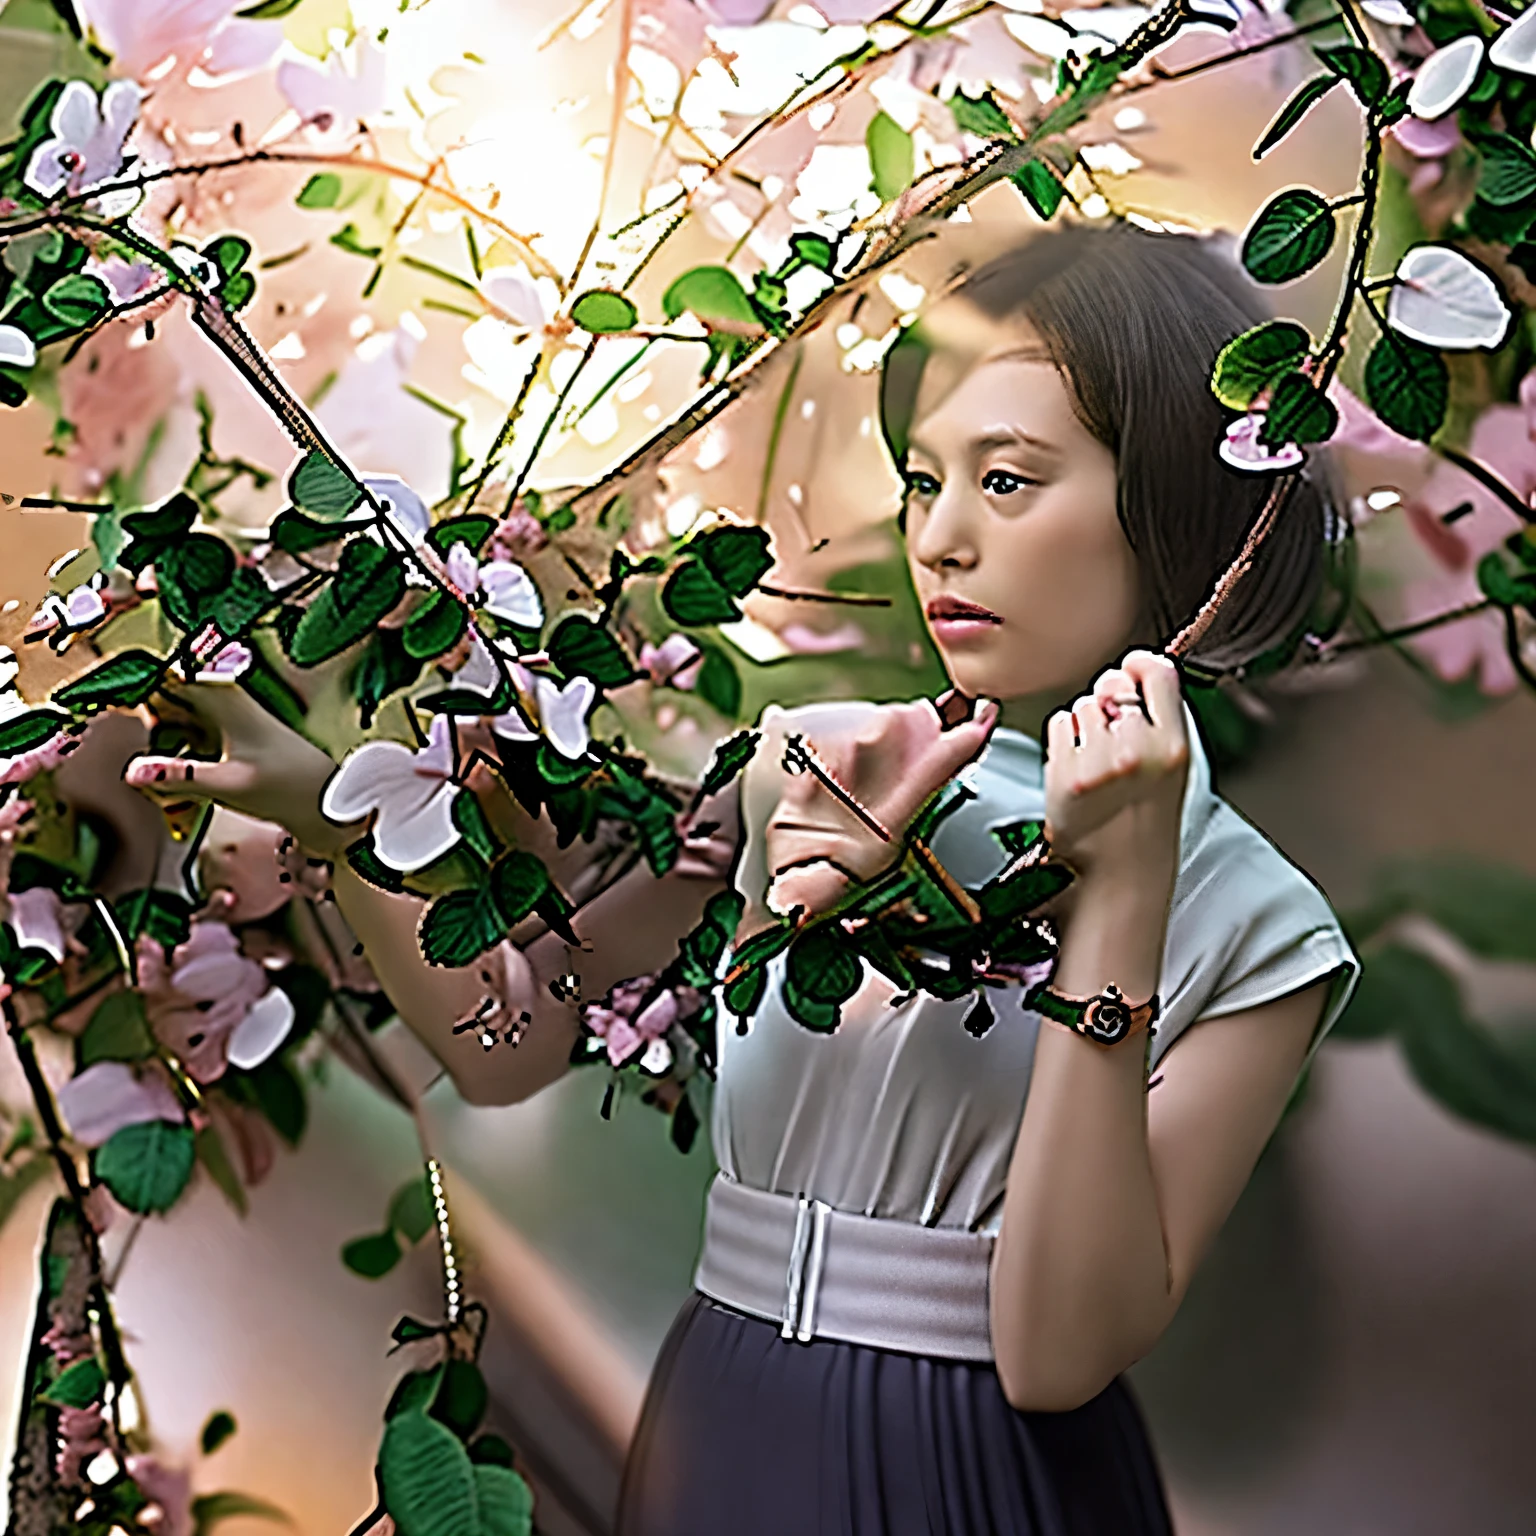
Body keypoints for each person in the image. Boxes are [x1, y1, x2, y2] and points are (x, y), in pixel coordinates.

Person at [125, 223, 1361, 1535]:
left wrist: (1119, 899)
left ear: (1177, 496)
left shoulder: (1259, 924)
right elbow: (510, 1040)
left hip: (995, 1473)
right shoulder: (814, 763)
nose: (938, 539)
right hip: (727, 1409)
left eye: (1005, 482)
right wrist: (336, 823)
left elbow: (1058, 1353)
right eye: (921, 480)